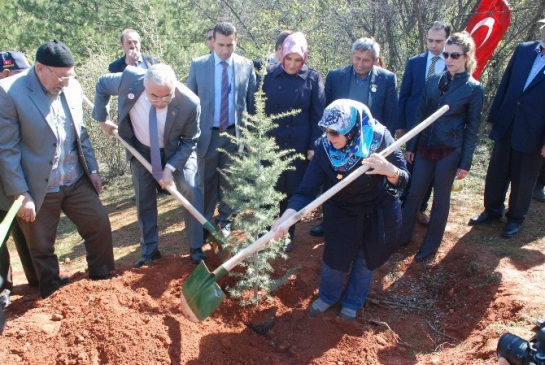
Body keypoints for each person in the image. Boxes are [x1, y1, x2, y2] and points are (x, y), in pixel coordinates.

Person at [273, 99, 409, 321]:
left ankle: (352, 303)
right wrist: (286, 219)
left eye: (335, 133)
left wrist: (389, 170)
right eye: (326, 131)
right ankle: (328, 297)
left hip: (377, 209)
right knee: (335, 257)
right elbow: (306, 191)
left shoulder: (380, 138)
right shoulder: (323, 148)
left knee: (366, 259)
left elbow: (404, 178)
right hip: (342, 208)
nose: (329, 138)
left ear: (352, 128)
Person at [0, 40, 115, 299]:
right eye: (61, 77)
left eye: (70, 76)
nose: (66, 83)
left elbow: (81, 134)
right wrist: (21, 194)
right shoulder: (9, 92)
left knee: (98, 224)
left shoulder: (71, 87)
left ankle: (104, 279)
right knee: (41, 246)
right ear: (41, 69)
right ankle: (51, 294)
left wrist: (93, 171)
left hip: (75, 179)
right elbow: (7, 150)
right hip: (38, 186)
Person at [93, 64, 205, 265]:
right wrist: (102, 119)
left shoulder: (190, 103)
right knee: (144, 198)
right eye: (154, 96)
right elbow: (101, 84)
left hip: (176, 151)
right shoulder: (129, 81)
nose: (161, 101)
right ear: (144, 85)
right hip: (141, 149)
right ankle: (150, 251)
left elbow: (190, 141)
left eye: (167, 96)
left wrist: (169, 169)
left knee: (189, 186)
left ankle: (196, 247)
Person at [400, 32, 483, 260]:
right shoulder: (433, 81)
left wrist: (465, 162)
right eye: (446, 54)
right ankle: (402, 237)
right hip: (425, 147)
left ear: (466, 56)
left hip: (450, 150)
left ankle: (429, 247)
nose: (449, 59)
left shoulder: (473, 88)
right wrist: (411, 146)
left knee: (440, 199)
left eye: (455, 55)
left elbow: (472, 128)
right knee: (414, 193)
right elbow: (420, 115)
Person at [309, 37, 399, 238]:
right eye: (356, 58)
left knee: (362, 180)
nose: (360, 64)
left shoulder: (386, 79)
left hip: (369, 142)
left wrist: (385, 144)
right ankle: (328, 220)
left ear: (375, 60)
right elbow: (326, 111)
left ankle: (366, 221)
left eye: (365, 60)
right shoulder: (336, 76)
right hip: (339, 139)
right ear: (351, 55)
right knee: (334, 179)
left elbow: (390, 114)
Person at [469, 19, 545, 238]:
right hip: (508, 122)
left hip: (535, 131)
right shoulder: (524, 49)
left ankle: (515, 219)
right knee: (497, 171)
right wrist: (494, 116)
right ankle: (492, 210)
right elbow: (506, 82)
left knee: (524, 178)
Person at [187, 21, 257, 238]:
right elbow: (191, 102)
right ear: (212, 42)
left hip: (234, 134)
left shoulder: (246, 66)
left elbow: (251, 103)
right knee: (205, 182)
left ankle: (225, 221)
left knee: (230, 182)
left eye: (230, 45)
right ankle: (205, 224)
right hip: (207, 135)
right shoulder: (198, 66)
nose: (225, 50)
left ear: (236, 41)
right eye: (221, 45)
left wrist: (250, 137)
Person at [262, 32, 325, 251]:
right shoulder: (268, 74)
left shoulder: (312, 78)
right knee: (270, 186)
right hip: (271, 141)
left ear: (304, 58)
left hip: (298, 142)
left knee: (292, 189)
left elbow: (318, 114)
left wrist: (313, 145)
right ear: (282, 53)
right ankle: (264, 233)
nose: (291, 64)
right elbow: (257, 108)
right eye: (288, 58)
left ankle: (287, 233)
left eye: (297, 60)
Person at [398, 21, 451, 226]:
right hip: (413, 122)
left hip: (438, 127)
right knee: (409, 163)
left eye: (439, 41)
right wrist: (401, 124)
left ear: (447, 40)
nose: (434, 45)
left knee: (428, 167)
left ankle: (420, 207)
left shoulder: (451, 63)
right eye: (430, 40)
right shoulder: (415, 62)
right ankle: (402, 204)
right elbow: (404, 95)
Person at [0, 51, 39, 307]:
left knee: (25, 226)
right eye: (18, 75)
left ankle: (37, 278)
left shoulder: (19, 98)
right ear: (4, 74)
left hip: (16, 176)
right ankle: (3, 289)